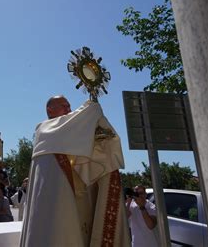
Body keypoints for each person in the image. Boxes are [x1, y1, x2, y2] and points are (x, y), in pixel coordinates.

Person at [20, 96, 130, 246]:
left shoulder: (69, 137)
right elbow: (80, 120)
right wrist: (92, 107)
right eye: (64, 106)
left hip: (77, 205)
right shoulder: (45, 130)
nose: (69, 110)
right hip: (53, 208)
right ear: (50, 110)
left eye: (69, 106)